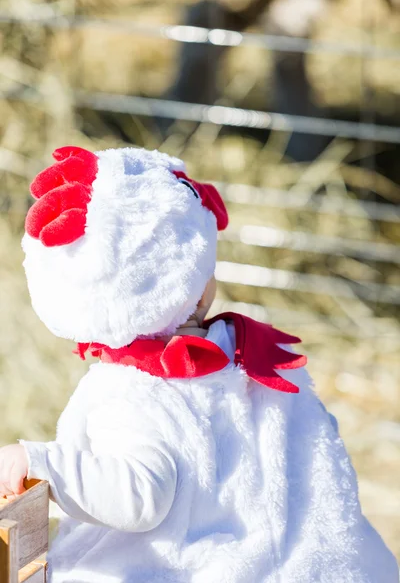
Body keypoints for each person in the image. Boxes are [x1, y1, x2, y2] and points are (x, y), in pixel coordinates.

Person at [0, 146, 397, 583]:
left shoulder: (131, 393)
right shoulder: (250, 358)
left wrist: (40, 463)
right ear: (203, 289)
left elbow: (137, 496)